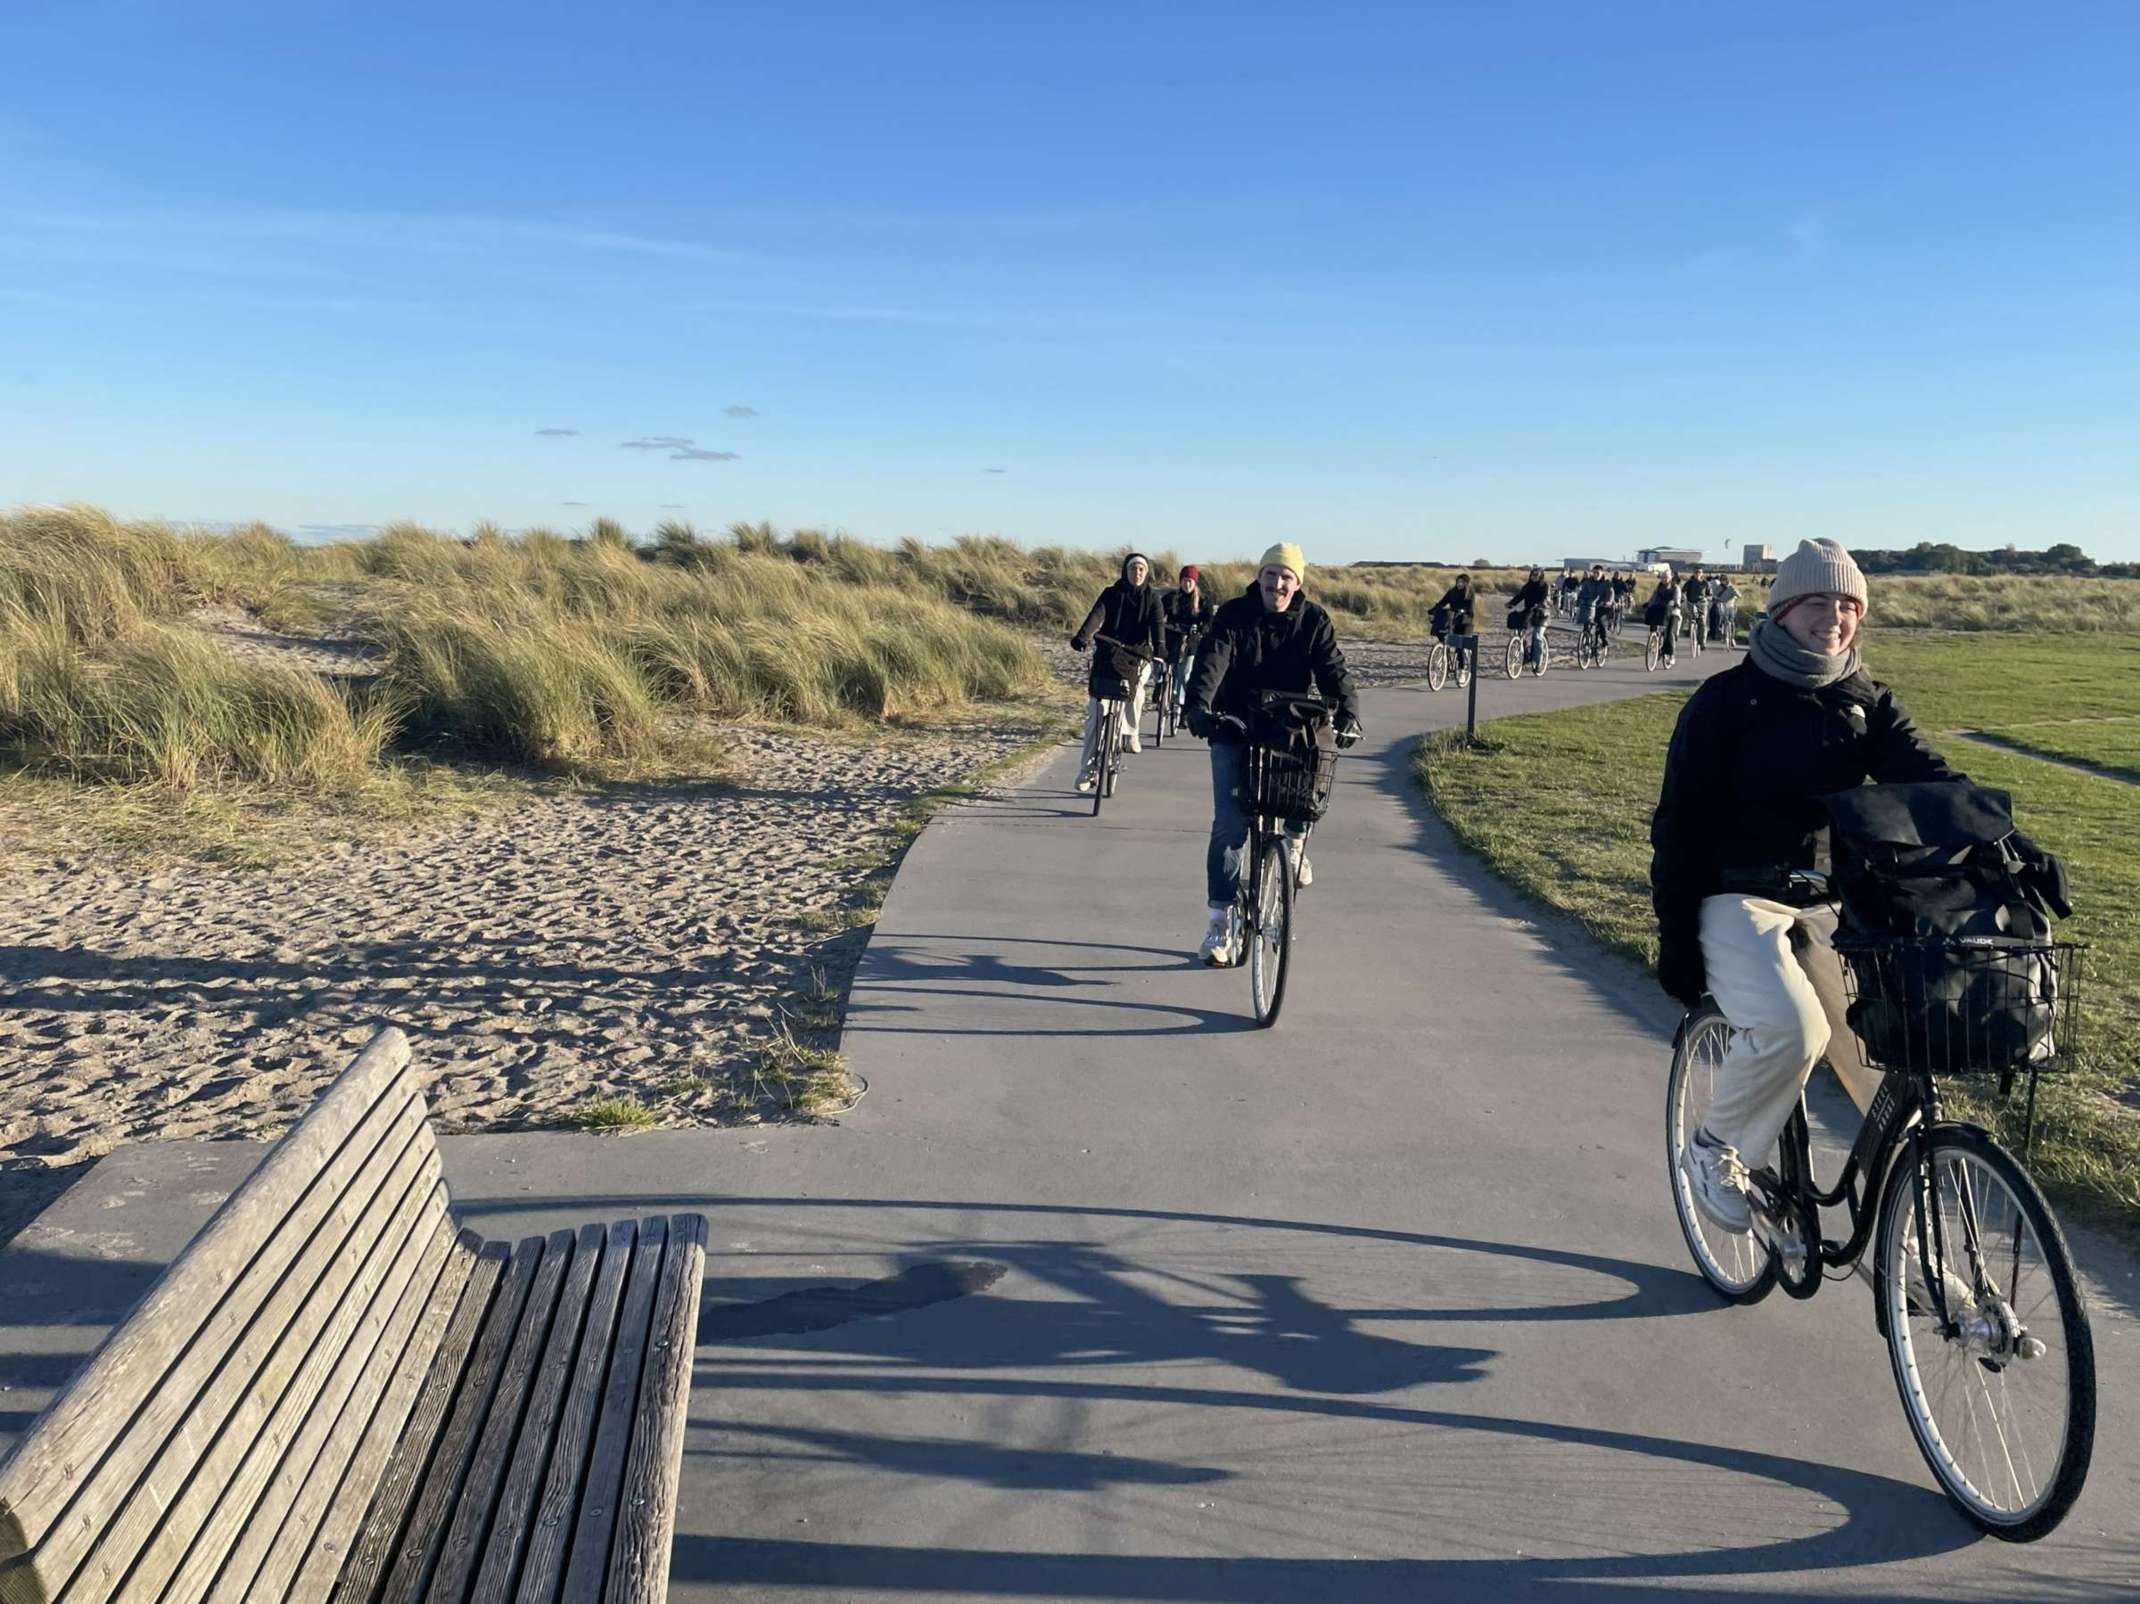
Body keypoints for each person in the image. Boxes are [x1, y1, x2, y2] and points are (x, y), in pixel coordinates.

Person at [1651, 538, 1962, 1232]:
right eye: (1818, 601)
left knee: (1889, 1066)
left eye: (1849, 603)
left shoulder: (1864, 698)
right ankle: (1714, 1149)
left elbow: (1924, 774)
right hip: (1736, 896)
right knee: (1796, 1030)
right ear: (1783, 610)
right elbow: (1680, 825)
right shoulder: (1725, 702)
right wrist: (1675, 936)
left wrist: (1996, 831)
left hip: (1832, 900)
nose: (1836, 616)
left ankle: (1916, 1261)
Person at [1185, 543, 1362, 964]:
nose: (1277, 583)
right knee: (1230, 825)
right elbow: (1213, 659)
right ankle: (1219, 923)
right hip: (1236, 726)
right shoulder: (1233, 614)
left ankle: (1296, 843)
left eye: (1287, 577)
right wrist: (1199, 706)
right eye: (1271, 574)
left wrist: (1350, 712)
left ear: (1297, 583)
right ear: (1259, 576)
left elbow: (1333, 669)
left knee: (1319, 758)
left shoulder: (1313, 620)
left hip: (1287, 727)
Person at [1069, 552, 1163, 789]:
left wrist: (1161, 648)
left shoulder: (1152, 598)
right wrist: (1082, 637)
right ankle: (1087, 770)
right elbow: (1096, 615)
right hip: (1108, 653)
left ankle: (1131, 732)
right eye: (1133, 569)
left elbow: (1157, 625)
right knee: (1095, 715)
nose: (1137, 573)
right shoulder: (1112, 593)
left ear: (1147, 572)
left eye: (1141, 569)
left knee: (1137, 690)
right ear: (1126, 571)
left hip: (1137, 656)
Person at [1160, 564, 1217, 721]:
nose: (1187, 584)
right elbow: (1158, 615)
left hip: (1191, 643)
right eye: (1185, 581)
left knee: (1184, 674)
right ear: (1180, 581)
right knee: (1161, 667)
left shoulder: (1203, 601)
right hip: (1171, 640)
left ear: (1195, 583)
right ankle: (1161, 688)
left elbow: (1209, 621)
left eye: (1190, 581)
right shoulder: (1170, 598)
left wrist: (1201, 629)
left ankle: (1182, 707)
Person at [1429, 574, 1480, 679]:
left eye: (1462, 582)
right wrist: (1434, 609)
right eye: (1458, 581)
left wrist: (1464, 611)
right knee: (1443, 637)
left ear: (1466, 583)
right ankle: (1446, 664)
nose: (1459, 584)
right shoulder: (1452, 592)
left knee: (1459, 646)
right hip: (1453, 620)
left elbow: (1471, 609)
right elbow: (1443, 602)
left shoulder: (1470, 593)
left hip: (1465, 621)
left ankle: (1461, 670)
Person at [1507, 567, 1551, 668]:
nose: (1534, 577)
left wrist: (1538, 605)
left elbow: (1544, 599)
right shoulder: (1528, 586)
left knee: (1537, 636)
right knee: (1520, 630)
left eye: (1536, 575)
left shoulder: (1544, 586)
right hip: (1529, 611)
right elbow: (1520, 596)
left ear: (1541, 576)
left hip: (1542, 614)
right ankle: (1525, 656)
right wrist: (1511, 603)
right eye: (1532, 575)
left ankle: (1537, 662)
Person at [1644, 569, 1682, 666]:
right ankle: (1653, 643)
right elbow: (1654, 598)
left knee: (1669, 633)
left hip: (1673, 612)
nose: (1664, 579)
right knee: (1652, 619)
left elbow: (1677, 598)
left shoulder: (1675, 587)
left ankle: (1671, 654)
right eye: (1663, 577)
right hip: (1661, 610)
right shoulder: (1659, 587)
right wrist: (1648, 604)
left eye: (1666, 577)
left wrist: (1676, 604)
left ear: (1670, 578)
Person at [1574, 562, 1613, 656]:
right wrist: (1579, 600)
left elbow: (1611, 593)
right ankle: (1587, 643)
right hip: (1590, 606)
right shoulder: (1587, 583)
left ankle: (1604, 641)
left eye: (1598, 573)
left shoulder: (1606, 583)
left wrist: (1608, 602)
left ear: (1602, 573)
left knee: (1600, 622)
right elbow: (1582, 593)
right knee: (1586, 624)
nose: (1595, 575)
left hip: (1602, 607)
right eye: (1594, 572)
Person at [1708, 574, 1741, 645]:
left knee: (1732, 623)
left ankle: (1732, 638)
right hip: (1722, 606)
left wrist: (1735, 593)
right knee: (1724, 621)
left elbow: (1739, 595)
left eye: (1724, 580)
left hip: (1731, 606)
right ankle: (1725, 636)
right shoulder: (1718, 587)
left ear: (1727, 580)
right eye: (1721, 580)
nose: (1723, 581)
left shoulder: (1731, 587)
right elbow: (1714, 596)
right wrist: (1714, 599)